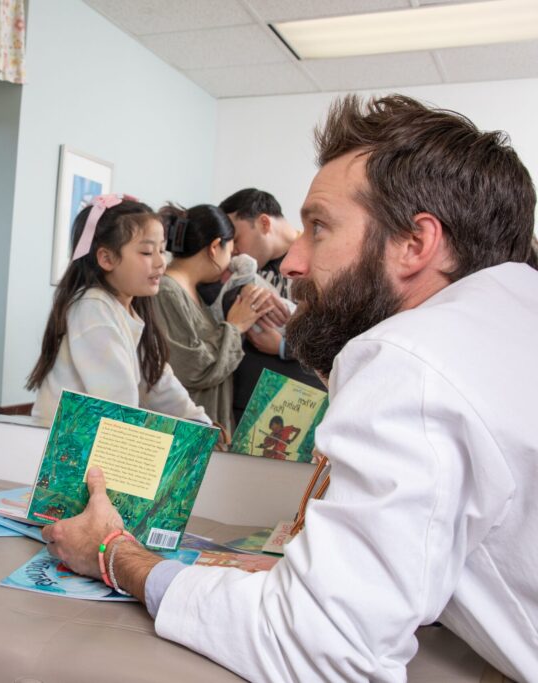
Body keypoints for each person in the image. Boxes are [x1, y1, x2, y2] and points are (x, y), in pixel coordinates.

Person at [41, 94, 538, 682]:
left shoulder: (410, 359)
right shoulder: (508, 315)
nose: (293, 261)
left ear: (414, 243)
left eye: (320, 228)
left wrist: (115, 553)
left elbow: (315, 646)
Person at [27, 195, 210, 426]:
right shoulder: (93, 308)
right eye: (146, 252)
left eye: (162, 250)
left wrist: (200, 422)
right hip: (61, 448)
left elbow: (157, 381)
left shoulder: (128, 310)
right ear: (106, 258)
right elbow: (118, 402)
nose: (160, 262)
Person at [153, 203, 274, 432]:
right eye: (231, 250)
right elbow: (192, 368)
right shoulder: (166, 291)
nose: (233, 258)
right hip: (183, 432)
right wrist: (235, 327)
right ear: (215, 247)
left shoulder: (195, 292)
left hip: (208, 428)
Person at [211, 188, 324, 424]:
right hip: (243, 407)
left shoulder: (321, 260)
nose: (233, 248)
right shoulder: (240, 270)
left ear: (263, 223)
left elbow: (338, 331)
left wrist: (284, 347)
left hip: (300, 402)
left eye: (237, 237)